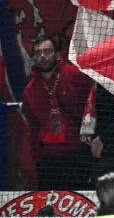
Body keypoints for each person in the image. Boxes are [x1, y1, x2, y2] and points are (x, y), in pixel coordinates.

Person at [17, 33, 97, 190]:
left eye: (47, 51)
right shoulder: (30, 91)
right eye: (38, 53)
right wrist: (36, 159)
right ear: (33, 58)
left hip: (78, 155)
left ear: (57, 54)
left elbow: (95, 105)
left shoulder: (75, 75)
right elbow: (33, 128)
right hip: (48, 160)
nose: (43, 56)